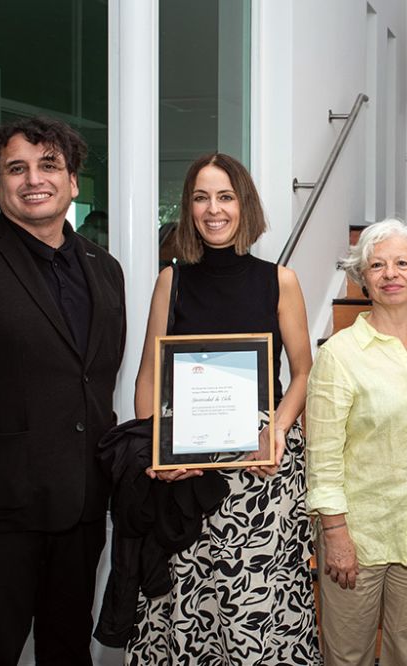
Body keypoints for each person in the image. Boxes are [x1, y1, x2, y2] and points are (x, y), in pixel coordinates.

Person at [0, 116, 126, 664]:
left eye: (48, 165)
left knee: (67, 649)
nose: (33, 179)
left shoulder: (104, 269)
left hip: (81, 506)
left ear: (73, 182)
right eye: (16, 168)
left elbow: (92, 377)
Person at [128, 153, 320, 664]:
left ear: (244, 205)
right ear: (189, 208)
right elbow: (149, 378)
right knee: (190, 607)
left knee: (259, 606)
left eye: (225, 196)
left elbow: (302, 371)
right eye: (201, 197)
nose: (214, 209)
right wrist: (159, 454)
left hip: (262, 473)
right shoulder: (173, 280)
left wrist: (277, 429)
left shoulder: (280, 280)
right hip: (186, 472)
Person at [306, 219, 407, 666]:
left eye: (402, 263)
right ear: (362, 276)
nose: (391, 274)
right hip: (358, 537)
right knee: (348, 655)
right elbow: (323, 456)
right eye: (377, 265)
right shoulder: (340, 353)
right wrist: (336, 535)